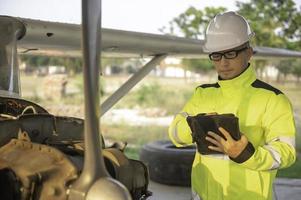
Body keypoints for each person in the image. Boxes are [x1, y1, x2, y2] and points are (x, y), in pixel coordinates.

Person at [168, 11, 296, 200]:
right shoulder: (203, 94)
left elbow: (286, 152)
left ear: (249, 52)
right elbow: (174, 135)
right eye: (216, 55)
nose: (224, 62)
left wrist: (246, 154)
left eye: (231, 53)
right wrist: (193, 126)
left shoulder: (273, 98)